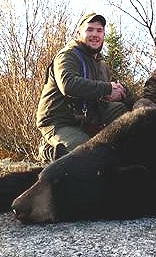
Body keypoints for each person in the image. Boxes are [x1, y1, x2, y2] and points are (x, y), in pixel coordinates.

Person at [36, 13, 129, 162]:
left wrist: (129, 96)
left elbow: (107, 89)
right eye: (89, 30)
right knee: (87, 153)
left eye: (99, 31)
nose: (95, 35)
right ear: (79, 33)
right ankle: (49, 149)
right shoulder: (67, 56)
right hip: (60, 120)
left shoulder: (101, 63)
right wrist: (107, 88)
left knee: (124, 114)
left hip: (87, 118)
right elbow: (68, 84)